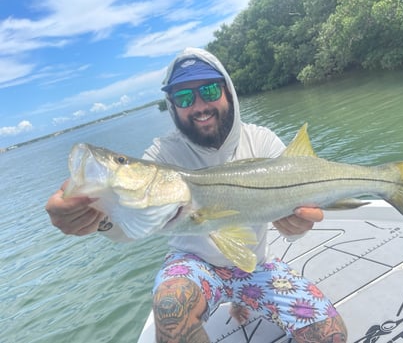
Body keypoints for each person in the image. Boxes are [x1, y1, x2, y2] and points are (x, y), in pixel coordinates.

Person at [46, 47, 347, 342]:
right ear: (172, 106)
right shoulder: (163, 154)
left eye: (210, 91)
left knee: (330, 335)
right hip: (192, 265)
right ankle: (231, 298)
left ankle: (243, 298)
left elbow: (302, 212)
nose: (199, 105)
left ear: (228, 91)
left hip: (254, 265)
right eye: (184, 97)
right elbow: (130, 222)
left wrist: (300, 225)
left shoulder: (262, 141)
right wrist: (96, 216)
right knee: (170, 308)